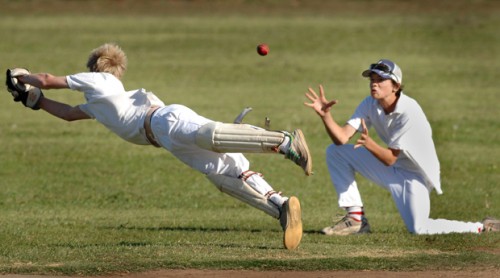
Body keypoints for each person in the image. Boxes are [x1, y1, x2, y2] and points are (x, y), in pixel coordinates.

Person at [6, 43, 312, 249]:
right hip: (164, 138)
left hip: (165, 122)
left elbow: (45, 79)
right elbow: (68, 114)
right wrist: (37, 102)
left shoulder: (102, 82)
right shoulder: (97, 104)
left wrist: (22, 76)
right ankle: (281, 208)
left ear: (96, 70)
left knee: (212, 137)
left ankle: (284, 142)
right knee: (224, 175)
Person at [304, 59, 499, 235]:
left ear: (395, 85)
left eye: (381, 79)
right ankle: (356, 220)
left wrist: (370, 144)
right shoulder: (370, 103)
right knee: (336, 151)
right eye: (372, 78)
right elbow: (342, 138)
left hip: (416, 176)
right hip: (391, 168)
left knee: (419, 229)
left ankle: (481, 227)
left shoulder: (408, 111)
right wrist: (326, 116)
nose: (374, 83)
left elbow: (390, 158)